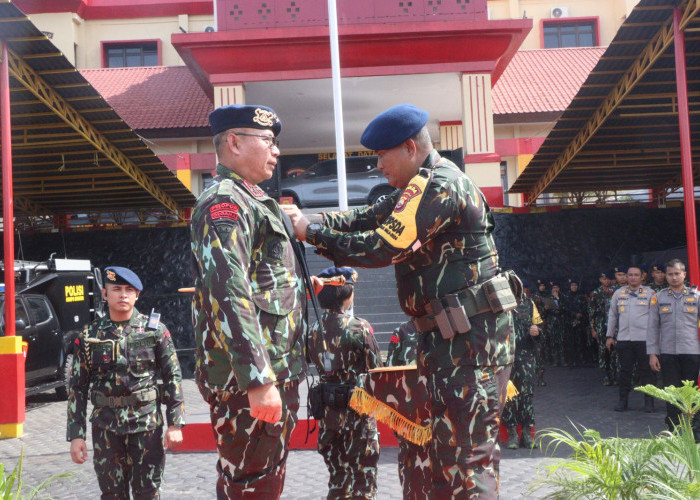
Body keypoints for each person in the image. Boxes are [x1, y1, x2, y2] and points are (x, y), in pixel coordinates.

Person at [284, 103, 518, 498]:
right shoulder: (418, 186)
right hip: (450, 341)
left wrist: (313, 235)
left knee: (468, 462)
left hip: (471, 344)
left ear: (409, 147)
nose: (377, 165)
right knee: (446, 457)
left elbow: (384, 246)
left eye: (381, 154)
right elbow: (371, 216)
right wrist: (310, 220)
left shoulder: (441, 186)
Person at [189, 104, 308, 498]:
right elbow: (229, 291)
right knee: (252, 485)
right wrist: (258, 379)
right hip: (247, 380)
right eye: (268, 142)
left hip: (271, 369)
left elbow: (265, 283)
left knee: (261, 480)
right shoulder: (225, 202)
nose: (276, 151)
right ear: (235, 142)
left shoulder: (252, 199)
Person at [67, 266, 185, 499]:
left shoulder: (155, 331)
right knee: (111, 494)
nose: (123, 295)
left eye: (129, 290)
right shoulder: (90, 336)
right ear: (104, 294)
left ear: (137, 295)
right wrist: (76, 435)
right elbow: (77, 388)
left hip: (146, 426)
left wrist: (175, 423)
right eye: (117, 289)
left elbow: (173, 377)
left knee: (147, 493)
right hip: (106, 429)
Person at [307, 266, 383, 499]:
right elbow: (377, 368)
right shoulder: (359, 327)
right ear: (346, 295)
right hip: (357, 412)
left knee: (338, 480)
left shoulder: (313, 331)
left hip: (328, 412)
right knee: (363, 480)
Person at [647, 259, 700, 441]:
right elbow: (653, 327)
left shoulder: (696, 296)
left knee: (691, 394)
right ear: (665, 276)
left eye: (677, 273)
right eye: (670, 274)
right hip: (668, 353)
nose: (674, 277)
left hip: (692, 353)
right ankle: (674, 429)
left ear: (684, 274)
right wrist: (652, 354)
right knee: (671, 393)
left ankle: (694, 430)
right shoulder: (659, 298)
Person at [385, 321, 431, 500]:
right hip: (409, 415)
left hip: (437, 412)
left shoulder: (442, 330)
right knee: (409, 465)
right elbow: (390, 373)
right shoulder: (401, 332)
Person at [606, 265, 654, 412]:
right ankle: (623, 401)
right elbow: (613, 315)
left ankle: (649, 402)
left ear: (642, 277)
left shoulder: (650, 293)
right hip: (624, 339)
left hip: (644, 339)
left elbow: (655, 318)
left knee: (646, 371)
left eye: (636, 275)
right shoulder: (618, 293)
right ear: (626, 277)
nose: (633, 277)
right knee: (625, 371)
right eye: (630, 275)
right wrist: (609, 336)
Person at [502, 280, 542, 450]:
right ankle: (512, 434)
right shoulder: (498, 305)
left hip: (526, 357)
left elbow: (539, 327)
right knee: (508, 397)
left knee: (527, 395)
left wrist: (537, 332)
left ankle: (527, 434)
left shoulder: (529, 304)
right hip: (505, 358)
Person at [589, 270, 618, 386]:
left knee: (614, 351)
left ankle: (614, 375)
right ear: (600, 280)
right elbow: (591, 312)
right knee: (603, 351)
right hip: (600, 324)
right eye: (603, 279)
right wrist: (593, 328)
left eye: (607, 279)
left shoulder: (615, 291)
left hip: (613, 323)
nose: (606, 281)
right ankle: (606, 375)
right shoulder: (595, 293)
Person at [533, 279, 548, 385]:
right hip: (526, 333)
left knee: (539, 354)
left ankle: (540, 378)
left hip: (539, 327)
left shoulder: (529, 303)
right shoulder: (534, 298)